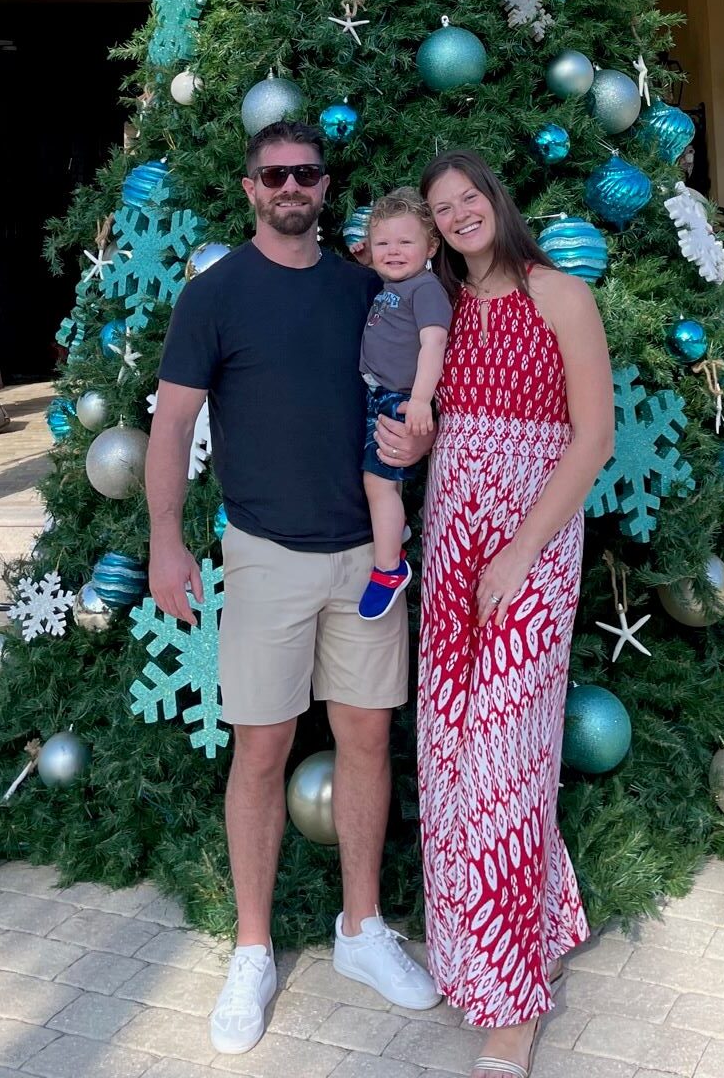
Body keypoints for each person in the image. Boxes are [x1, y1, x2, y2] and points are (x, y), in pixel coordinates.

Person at [148, 123, 440, 1057]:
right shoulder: (214, 295)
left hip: (366, 554)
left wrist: (417, 440)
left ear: (325, 186)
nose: (290, 186)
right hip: (264, 551)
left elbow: (410, 393)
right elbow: (171, 429)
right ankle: (252, 948)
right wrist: (163, 540)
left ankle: (361, 928)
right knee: (263, 747)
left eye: (305, 173)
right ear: (249, 188)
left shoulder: (371, 291)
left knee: (366, 736)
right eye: (274, 174)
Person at [417, 151, 614, 1078]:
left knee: (505, 758)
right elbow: (427, 420)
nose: (458, 216)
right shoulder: (442, 308)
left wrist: (523, 550)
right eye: (440, 208)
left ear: (497, 201)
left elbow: (595, 437)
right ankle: (481, 944)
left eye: (468, 199)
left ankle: (513, 1005)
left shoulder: (559, 294)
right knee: (453, 747)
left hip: (526, 547)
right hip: (451, 538)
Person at [357, 188, 451, 620]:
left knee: (378, 484)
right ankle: (395, 533)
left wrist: (420, 401)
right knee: (383, 484)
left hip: (399, 398)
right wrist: (367, 260)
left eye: (405, 243)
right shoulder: (395, 283)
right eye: (383, 243)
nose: (393, 251)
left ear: (431, 247)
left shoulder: (425, 289)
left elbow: (434, 343)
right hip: (378, 393)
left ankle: (388, 570)